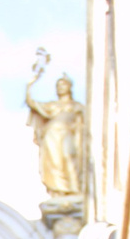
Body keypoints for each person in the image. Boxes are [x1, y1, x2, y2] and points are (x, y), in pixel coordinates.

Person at [23, 72, 89, 203]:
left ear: (69, 87)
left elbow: (83, 124)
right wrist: (30, 84)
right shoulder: (53, 105)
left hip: (66, 134)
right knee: (54, 163)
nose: (60, 87)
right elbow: (32, 103)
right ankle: (59, 192)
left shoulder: (77, 106)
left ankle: (74, 188)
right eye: (58, 85)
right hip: (51, 137)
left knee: (68, 157)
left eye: (63, 84)